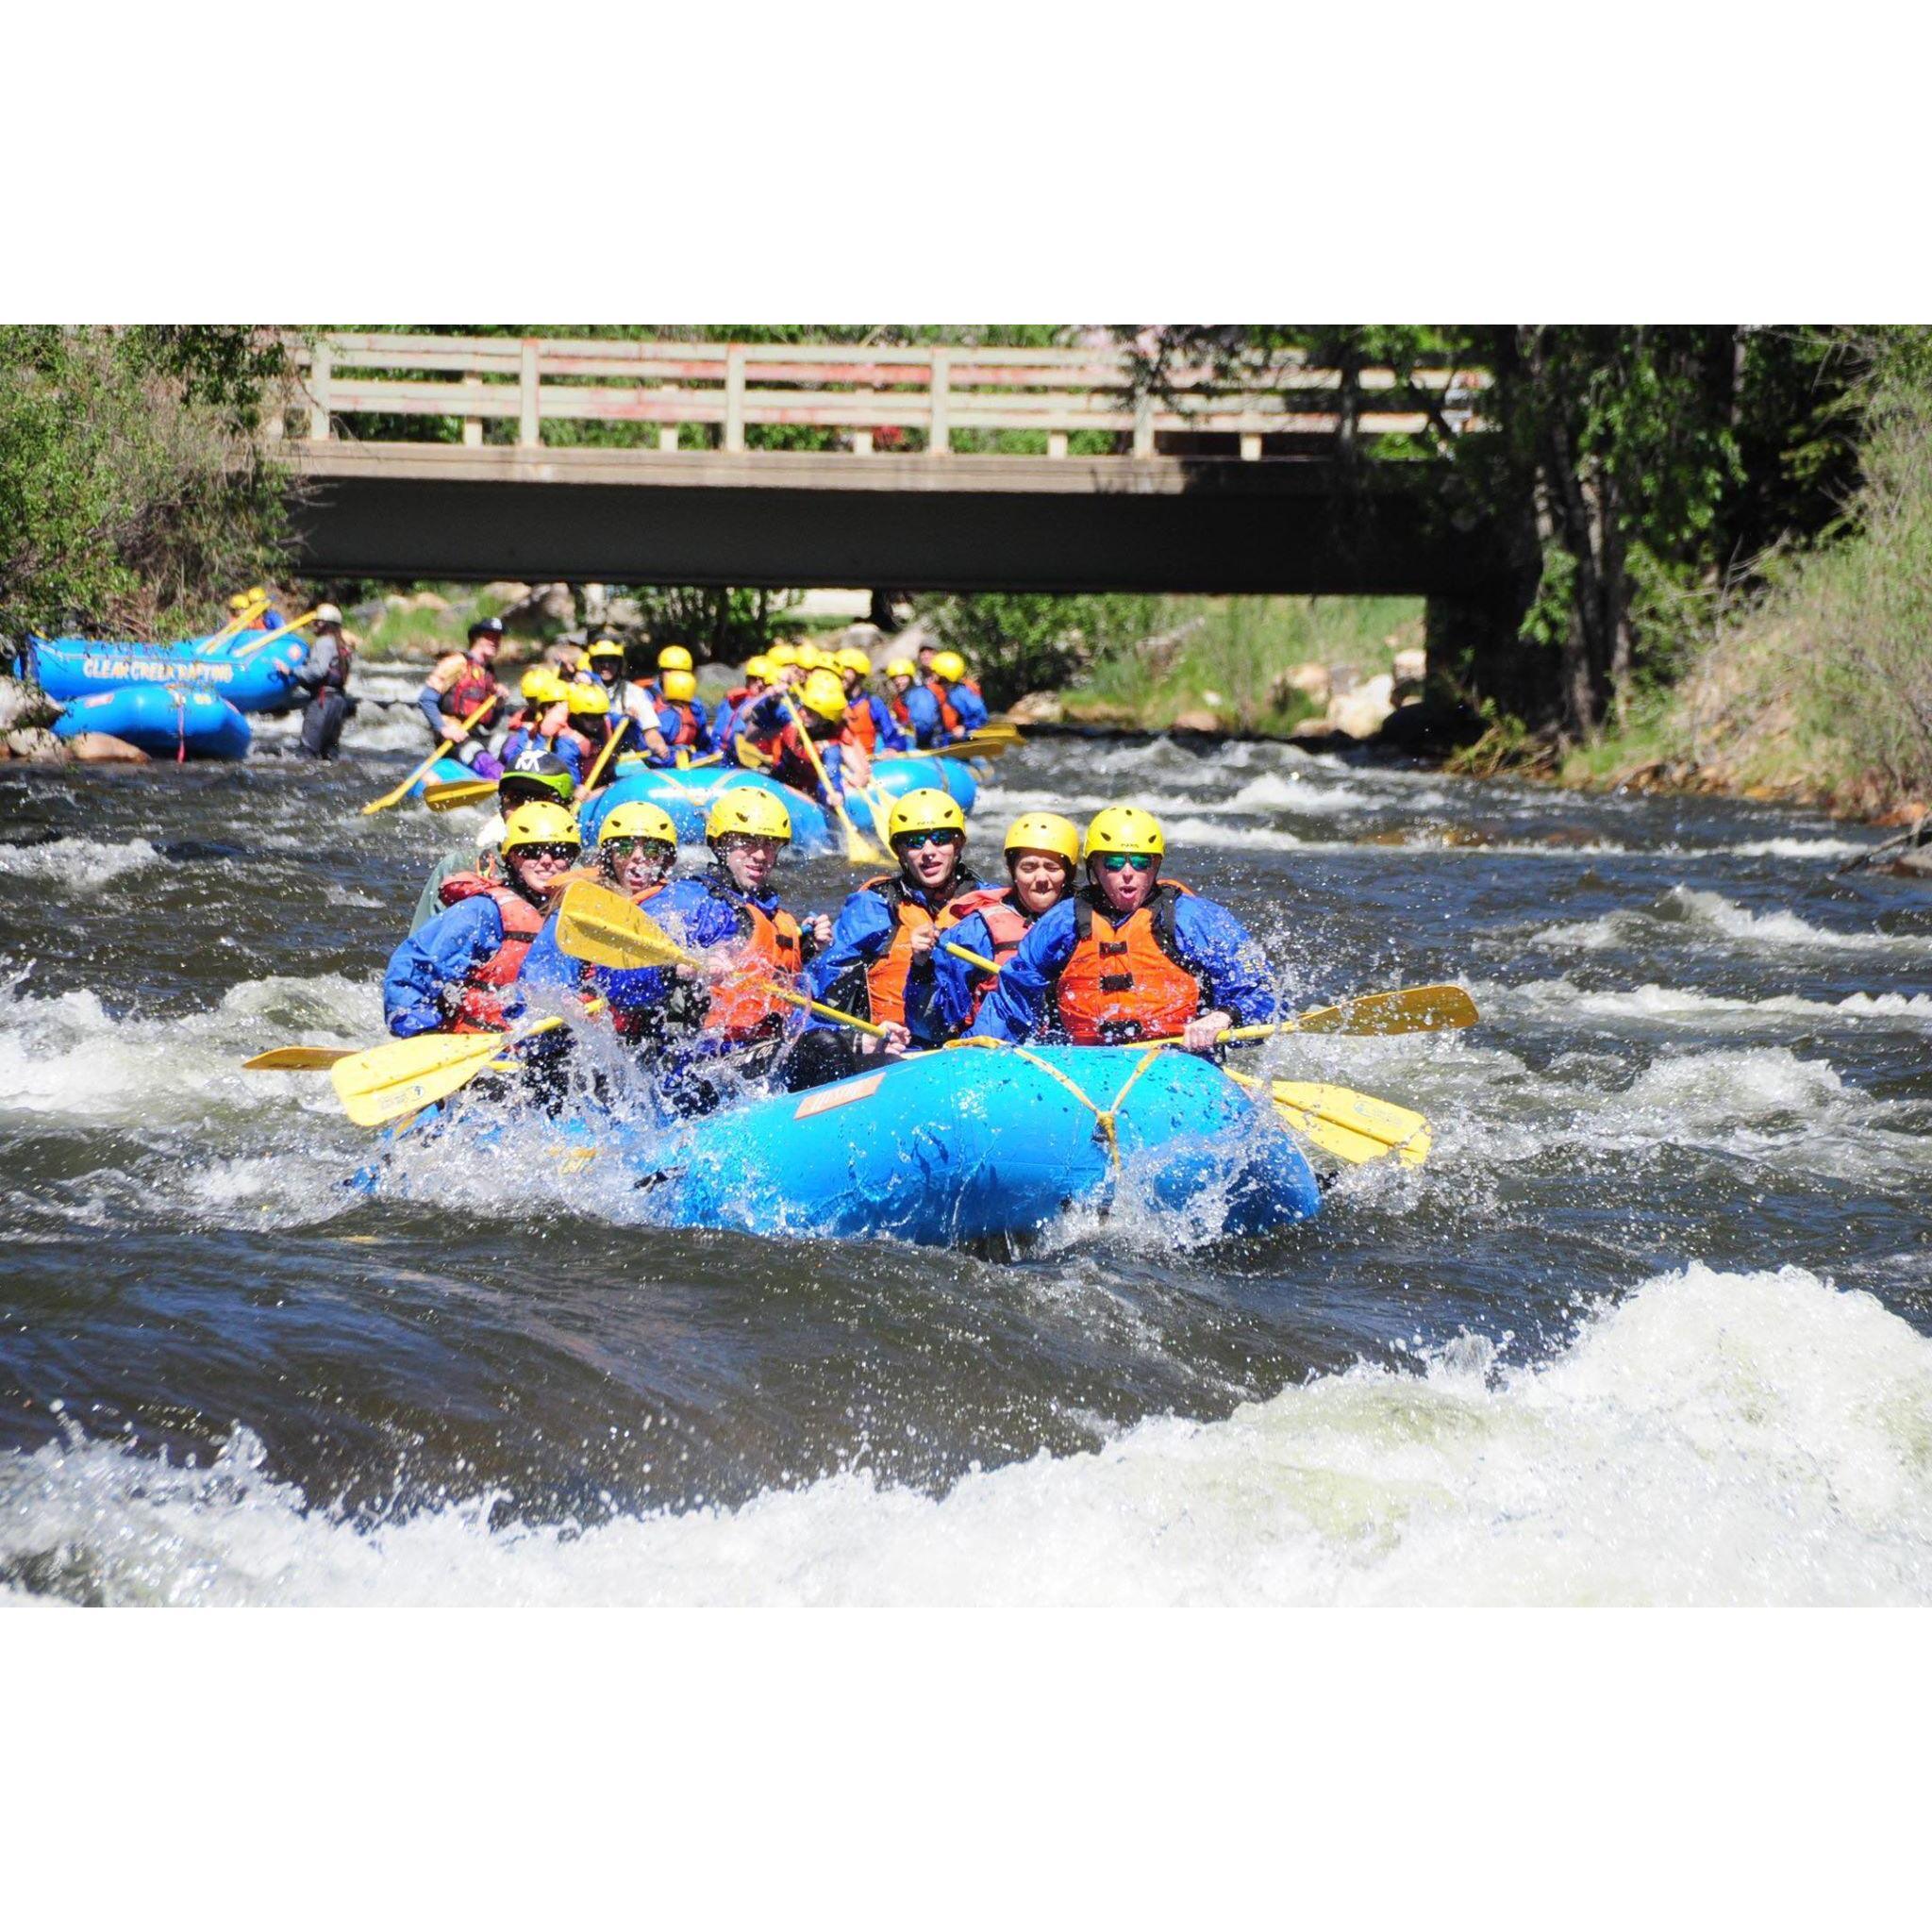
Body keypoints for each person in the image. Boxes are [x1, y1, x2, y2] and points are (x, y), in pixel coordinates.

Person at [969, 806, 1277, 1053]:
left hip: (1177, 1061)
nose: (1128, 873)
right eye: (1114, 863)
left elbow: (1262, 992)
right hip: (1083, 1064)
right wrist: (978, 1051)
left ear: (1155, 867)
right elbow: (1013, 996)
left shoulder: (1194, 919)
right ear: (1095, 867)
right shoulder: (1063, 922)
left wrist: (1223, 1017)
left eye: (1140, 863)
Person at [663, 789, 836, 1107]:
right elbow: (622, 977)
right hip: (700, 1066)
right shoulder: (692, 899)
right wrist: (682, 966)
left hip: (760, 1052)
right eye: (747, 842)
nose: (760, 855)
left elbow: (792, 1009)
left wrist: (806, 950)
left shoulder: (776, 915)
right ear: (720, 844)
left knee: (837, 1042)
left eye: (770, 844)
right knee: (824, 1049)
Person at [520, 800, 711, 1052]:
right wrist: (563, 999)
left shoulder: (680, 904)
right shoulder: (584, 909)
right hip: (590, 1041)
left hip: (654, 1036)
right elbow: (542, 976)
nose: (638, 858)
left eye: (652, 850)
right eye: (625, 848)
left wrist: (716, 958)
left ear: (666, 861)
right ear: (609, 856)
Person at [383, 799, 581, 1039]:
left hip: (548, 1043)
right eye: (532, 851)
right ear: (512, 858)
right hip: (481, 1041)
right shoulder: (482, 912)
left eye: (559, 851)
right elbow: (414, 968)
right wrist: (418, 1029)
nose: (547, 860)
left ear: (571, 859)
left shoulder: (580, 915)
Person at [808, 788, 982, 1049]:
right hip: (895, 1051)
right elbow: (823, 991)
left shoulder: (987, 904)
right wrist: (856, 1041)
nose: (929, 851)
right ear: (899, 851)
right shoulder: (874, 907)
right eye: (915, 842)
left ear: (958, 845)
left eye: (941, 839)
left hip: (973, 1047)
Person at [917, 811, 1081, 1039]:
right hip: (994, 1049)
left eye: (1052, 868)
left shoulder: (1089, 921)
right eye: (1029, 868)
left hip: (1081, 1050)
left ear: (1068, 874)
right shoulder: (976, 931)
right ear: (1013, 871)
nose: (1041, 879)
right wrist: (922, 968)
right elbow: (930, 1027)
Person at [408, 751, 577, 934]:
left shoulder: (579, 881)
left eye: (539, 800)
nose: (525, 810)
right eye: (516, 799)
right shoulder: (458, 867)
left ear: (565, 809)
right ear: (502, 808)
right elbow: (421, 943)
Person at [742, 668, 871, 803]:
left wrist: (835, 794)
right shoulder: (792, 718)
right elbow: (749, 731)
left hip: (809, 793)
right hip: (780, 780)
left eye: (811, 712)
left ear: (824, 720)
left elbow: (832, 774)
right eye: (805, 707)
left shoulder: (831, 746)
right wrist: (771, 700)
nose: (804, 713)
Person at [418, 617, 507, 769]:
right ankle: (497, 777)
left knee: (512, 744)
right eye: (489, 636)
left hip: (474, 735)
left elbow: (490, 725)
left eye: (497, 637)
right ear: (476, 638)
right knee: (483, 759)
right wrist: (444, 729)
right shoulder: (456, 663)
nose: (494, 642)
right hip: (452, 738)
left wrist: (499, 706)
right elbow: (426, 699)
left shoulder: (489, 675)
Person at [293, 604, 355, 759]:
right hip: (339, 702)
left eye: (318, 622)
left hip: (322, 702)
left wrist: (293, 671)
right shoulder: (342, 644)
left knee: (306, 752)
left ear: (327, 624)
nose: (314, 625)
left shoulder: (324, 642)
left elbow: (318, 671)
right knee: (330, 753)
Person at [837, 647, 908, 755]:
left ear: (859, 673)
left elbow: (892, 733)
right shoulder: (832, 702)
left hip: (868, 759)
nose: (841, 674)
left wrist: (893, 748)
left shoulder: (873, 703)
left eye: (846, 669)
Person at [644, 668, 717, 765]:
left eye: (684, 701)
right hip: (658, 761)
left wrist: (714, 752)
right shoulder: (654, 708)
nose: (682, 706)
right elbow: (648, 747)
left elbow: (704, 743)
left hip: (686, 759)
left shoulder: (695, 708)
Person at [930, 649, 990, 735]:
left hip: (960, 737)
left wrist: (964, 727)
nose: (932, 674)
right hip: (941, 737)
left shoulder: (961, 693)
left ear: (945, 674)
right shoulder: (936, 691)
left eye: (935, 672)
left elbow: (982, 717)